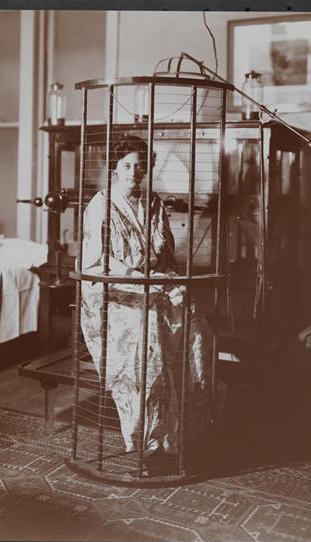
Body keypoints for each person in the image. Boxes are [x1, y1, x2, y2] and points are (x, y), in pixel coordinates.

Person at [80, 134, 225, 472]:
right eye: (127, 165)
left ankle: (184, 433)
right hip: (112, 292)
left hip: (152, 283)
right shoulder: (100, 206)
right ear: (115, 167)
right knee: (146, 342)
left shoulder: (154, 202)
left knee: (193, 321)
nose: (134, 172)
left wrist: (170, 282)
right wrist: (141, 281)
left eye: (140, 165)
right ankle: (147, 444)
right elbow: (96, 263)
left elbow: (166, 255)